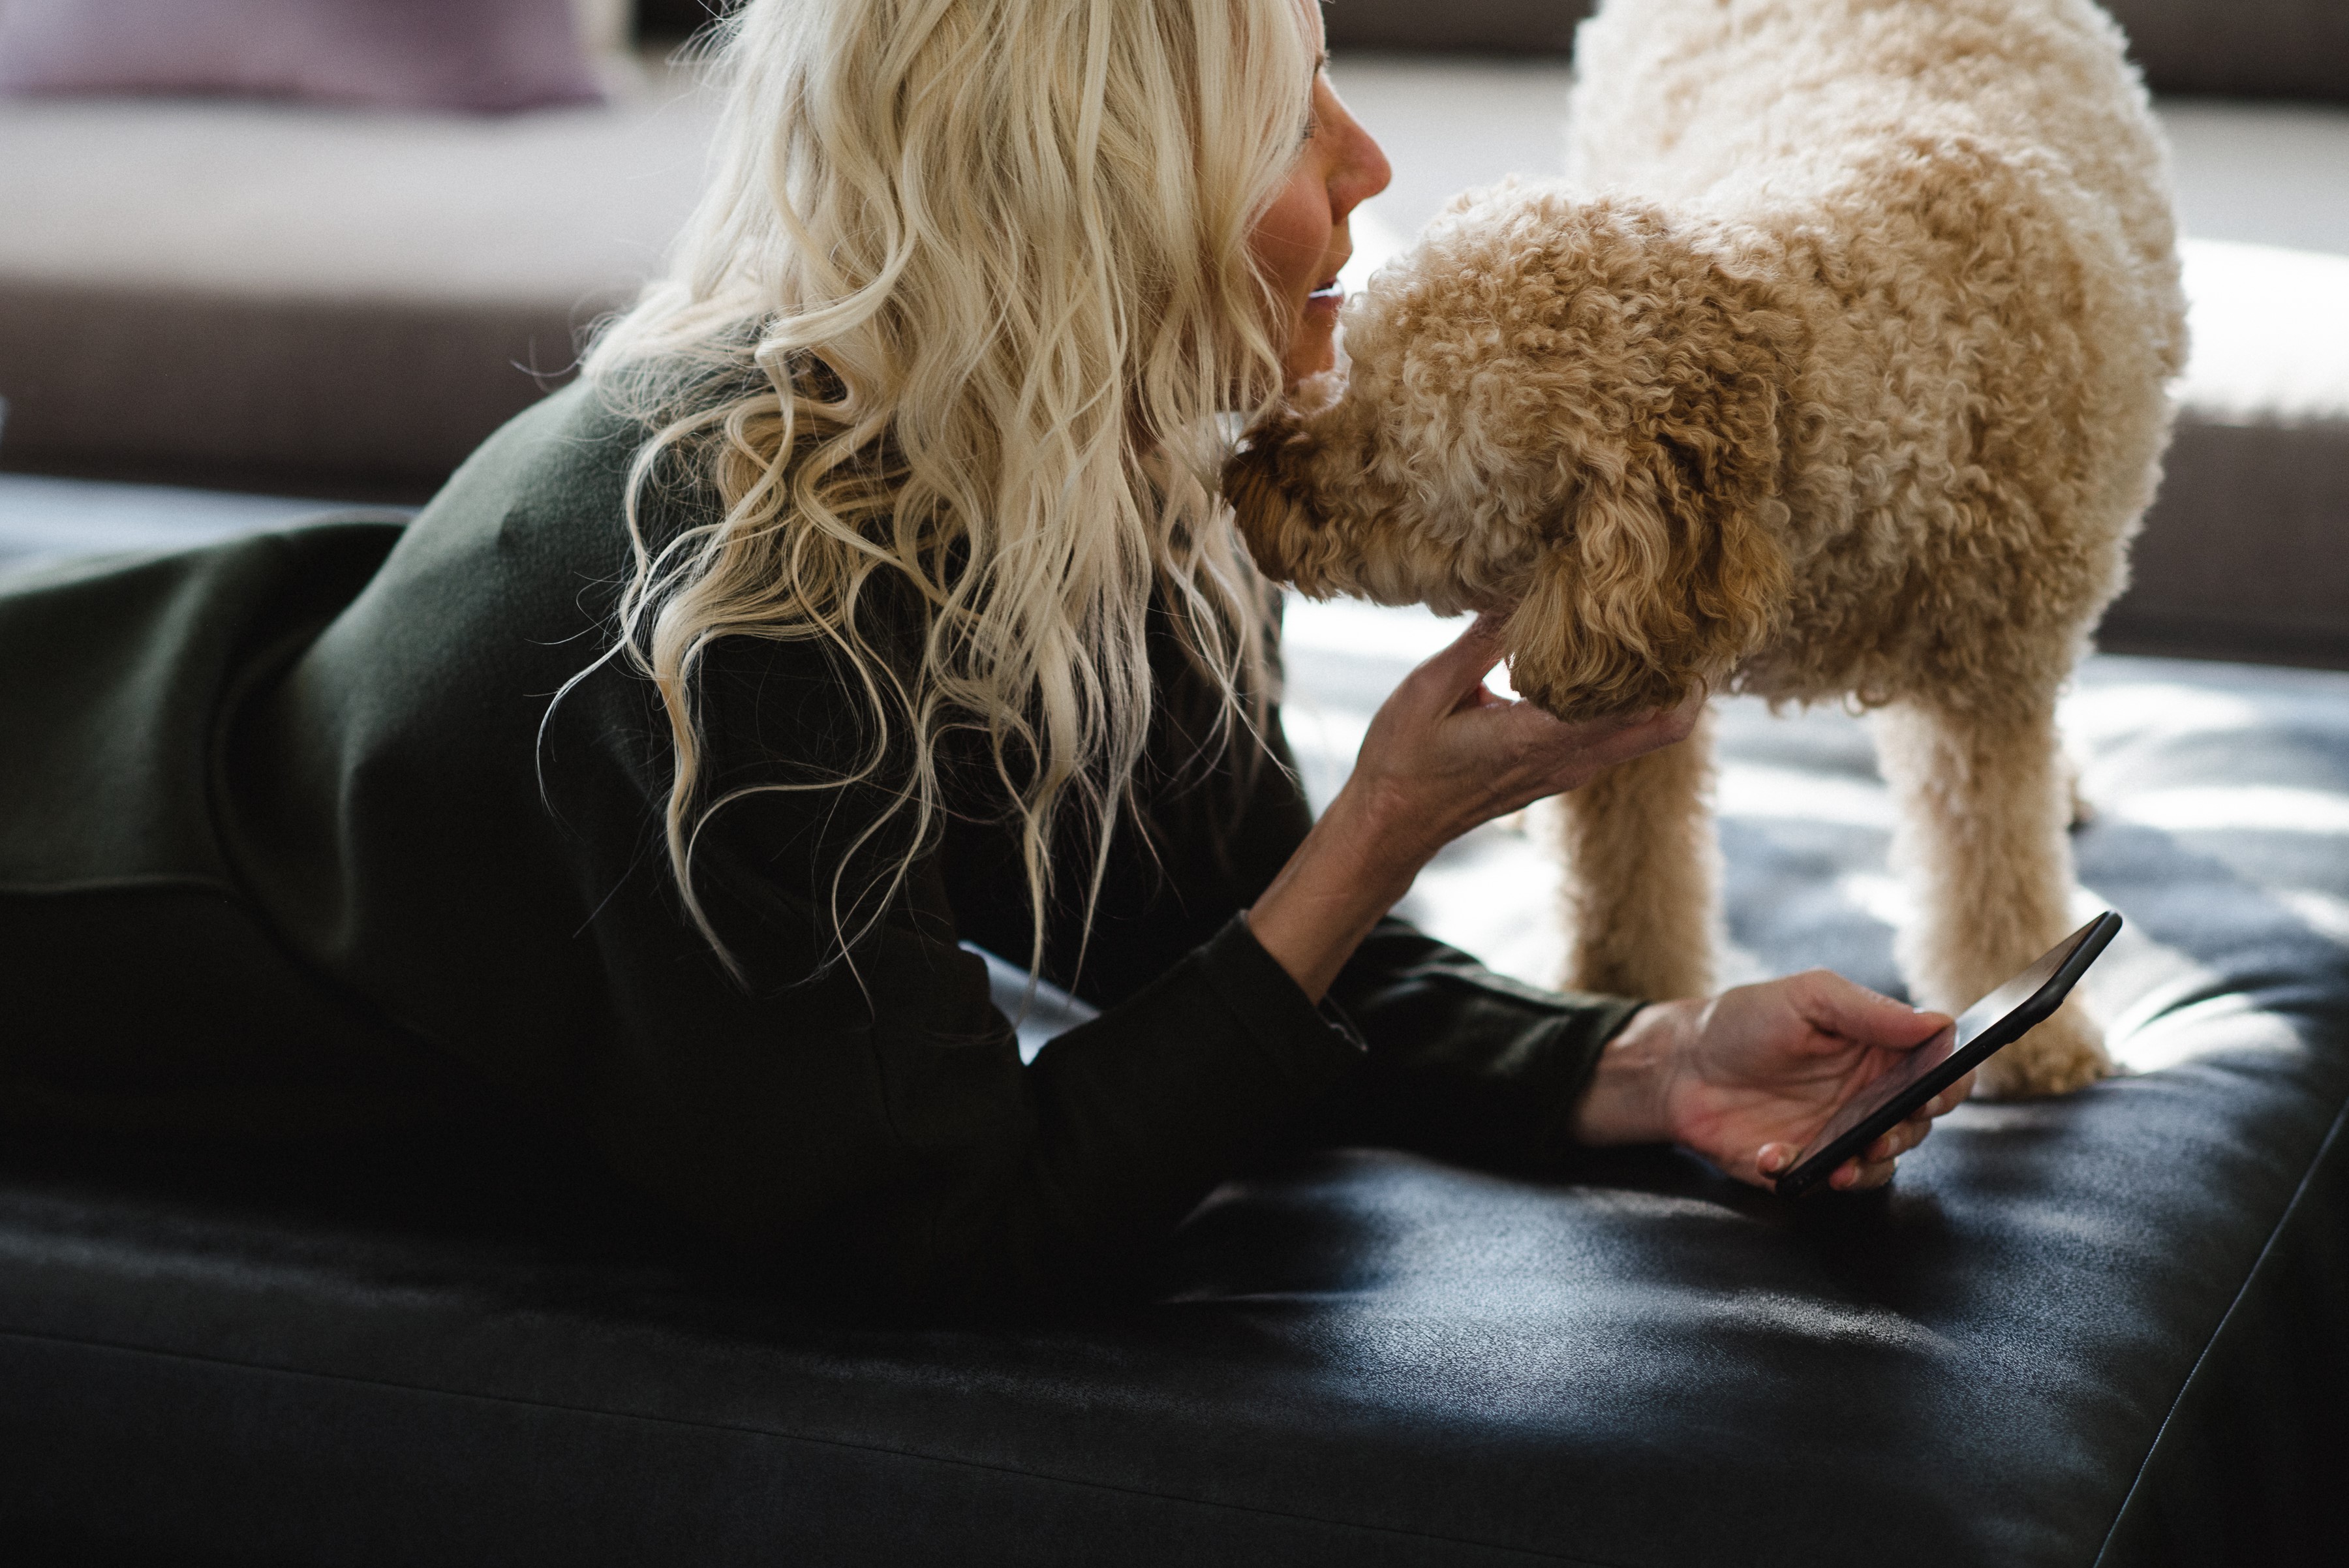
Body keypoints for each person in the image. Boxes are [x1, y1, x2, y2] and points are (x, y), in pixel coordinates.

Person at [0, 0, 1965, 1310]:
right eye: (1288, 124)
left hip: (213, 681)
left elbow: (1215, 931)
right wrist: (1382, 822)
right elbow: (959, 1221)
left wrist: (1650, 1064)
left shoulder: (1079, 482)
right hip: (91, 886)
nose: (1370, 165)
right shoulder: (741, 638)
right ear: (1095, 203)